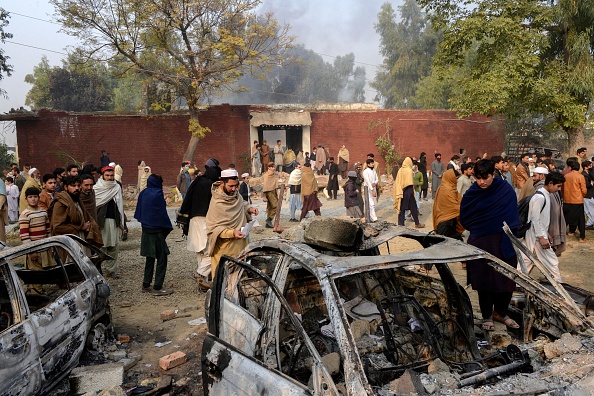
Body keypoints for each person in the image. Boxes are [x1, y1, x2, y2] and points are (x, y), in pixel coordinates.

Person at [460, 159, 520, 331]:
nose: (482, 182)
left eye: (485, 177)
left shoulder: (505, 190)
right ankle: (487, 315)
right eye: (478, 178)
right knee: (484, 281)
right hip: (481, 241)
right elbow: (465, 217)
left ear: (492, 174)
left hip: (503, 241)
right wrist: (481, 226)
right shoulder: (472, 193)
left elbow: (512, 216)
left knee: (506, 279)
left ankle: (500, 312)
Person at [206, 169, 258, 275]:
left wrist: (249, 209)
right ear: (222, 183)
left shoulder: (236, 195)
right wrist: (232, 233)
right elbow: (214, 229)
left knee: (240, 278)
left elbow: (242, 204)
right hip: (225, 248)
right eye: (231, 186)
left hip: (241, 244)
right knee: (224, 281)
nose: (234, 189)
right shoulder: (217, 203)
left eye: (236, 185)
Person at [180, 159, 221, 291]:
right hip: (205, 220)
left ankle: (203, 285)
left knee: (200, 252)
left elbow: (187, 201)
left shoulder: (197, 181)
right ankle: (201, 274)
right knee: (212, 250)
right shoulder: (212, 185)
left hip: (193, 220)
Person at [522, 172, 566, 282]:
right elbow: (535, 219)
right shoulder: (539, 197)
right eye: (558, 186)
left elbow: (542, 219)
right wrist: (541, 237)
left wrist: (548, 234)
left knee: (526, 259)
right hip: (536, 235)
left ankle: (518, 281)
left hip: (538, 234)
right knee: (551, 261)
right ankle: (557, 282)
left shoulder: (546, 195)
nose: (559, 189)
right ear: (550, 183)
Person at [134, 174, 174, 296]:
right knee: (162, 257)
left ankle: (146, 284)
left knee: (150, 257)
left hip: (145, 230)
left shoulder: (143, 193)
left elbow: (139, 211)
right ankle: (157, 287)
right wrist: (167, 227)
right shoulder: (157, 194)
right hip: (156, 231)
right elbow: (161, 214)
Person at [48, 175, 103, 248]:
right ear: (65, 187)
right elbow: (57, 227)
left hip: (81, 240)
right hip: (68, 244)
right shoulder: (61, 203)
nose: (77, 188)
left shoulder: (77, 200)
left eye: (78, 185)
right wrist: (80, 227)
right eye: (73, 186)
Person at [95, 166, 125, 278]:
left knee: (114, 246)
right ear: (102, 175)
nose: (109, 178)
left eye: (111, 175)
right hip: (100, 222)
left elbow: (120, 205)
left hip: (114, 220)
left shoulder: (117, 187)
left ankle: (111, 270)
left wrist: (123, 223)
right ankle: (98, 270)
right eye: (107, 175)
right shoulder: (96, 188)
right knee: (101, 247)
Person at [19, 187, 51, 293]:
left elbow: (48, 230)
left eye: (35, 197)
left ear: (39, 198)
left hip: (44, 249)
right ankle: (36, 296)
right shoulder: (25, 215)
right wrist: (31, 251)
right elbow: (24, 235)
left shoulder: (43, 212)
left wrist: (51, 244)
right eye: (30, 197)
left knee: (42, 274)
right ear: (26, 199)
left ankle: (38, 292)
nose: (33, 199)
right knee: (35, 275)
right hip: (33, 250)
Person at [393, 157, 424, 228]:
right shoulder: (409, 170)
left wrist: (400, 190)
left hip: (401, 191)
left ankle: (401, 224)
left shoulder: (400, 170)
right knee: (413, 208)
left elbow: (398, 181)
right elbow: (409, 182)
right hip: (408, 191)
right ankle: (417, 223)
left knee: (401, 208)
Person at [432, 169, 463, 239]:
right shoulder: (447, 189)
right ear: (451, 178)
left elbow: (460, 200)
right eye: (456, 178)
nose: (457, 181)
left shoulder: (449, 187)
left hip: (451, 221)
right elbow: (454, 207)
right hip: (445, 222)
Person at [562, 159, 587, 242]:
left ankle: (568, 232)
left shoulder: (566, 176)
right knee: (580, 219)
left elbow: (562, 189)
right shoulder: (580, 176)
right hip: (577, 200)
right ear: (579, 168)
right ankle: (582, 237)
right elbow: (583, 190)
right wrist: (583, 195)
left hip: (566, 200)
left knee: (565, 218)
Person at [262, 163, 280, 228]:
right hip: (269, 192)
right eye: (272, 167)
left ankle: (268, 224)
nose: (274, 168)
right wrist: (264, 195)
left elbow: (275, 182)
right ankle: (269, 219)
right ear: (269, 167)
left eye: (274, 167)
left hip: (274, 191)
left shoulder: (273, 175)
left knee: (270, 208)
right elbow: (265, 185)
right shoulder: (266, 175)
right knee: (276, 206)